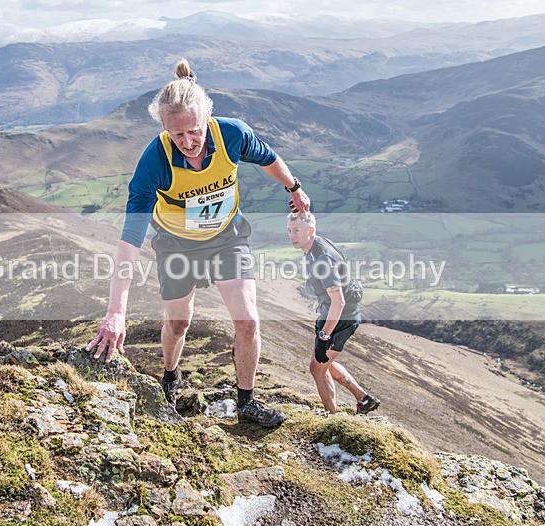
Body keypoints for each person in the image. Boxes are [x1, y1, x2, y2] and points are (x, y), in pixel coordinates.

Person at [86, 58, 310, 428]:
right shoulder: (154, 162)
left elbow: (269, 158)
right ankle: (170, 377)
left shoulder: (232, 134)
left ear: (207, 117)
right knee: (179, 324)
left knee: (248, 322)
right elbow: (130, 240)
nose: (188, 142)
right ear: (164, 127)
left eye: (194, 131)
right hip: (177, 246)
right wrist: (115, 312)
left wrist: (294, 188)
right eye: (177, 135)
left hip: (226, 237)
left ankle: (246, 403)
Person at [286, 212, 380, 415]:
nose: (292, 236)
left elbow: (338, 302)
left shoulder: (322, 260)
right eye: (289, 231)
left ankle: (333, 417)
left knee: (317, 368)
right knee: (323, 363)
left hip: (340, 317)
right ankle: (363, 398)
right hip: (336, 314)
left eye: (296, 231)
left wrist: (324, 337)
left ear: (310, 230)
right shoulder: (317, 243)